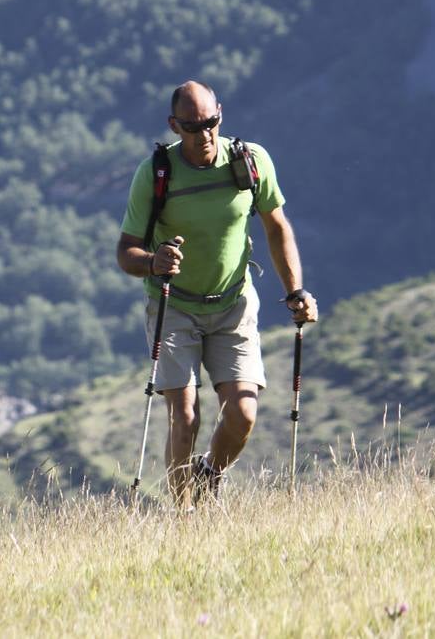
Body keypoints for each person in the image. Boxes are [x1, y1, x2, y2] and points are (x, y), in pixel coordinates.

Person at [116, 80, 317, 505]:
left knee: (243, 413)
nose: (204, 134)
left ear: (220, 115)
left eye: (212, 122)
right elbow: (126, 252)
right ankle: (184, 519)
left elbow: (276, 227)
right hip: (174, 307)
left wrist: (295, 290)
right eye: (192, 126)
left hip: (233, 303)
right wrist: (152, 262)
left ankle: (208, 474)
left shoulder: (249, 161)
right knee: (184, 418)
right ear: (174, 125)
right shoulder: (155, 174)